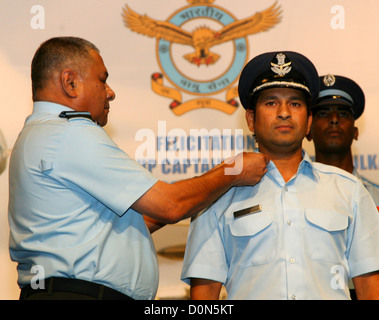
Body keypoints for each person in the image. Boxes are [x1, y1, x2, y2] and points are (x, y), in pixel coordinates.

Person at [8, 37, 269, 300]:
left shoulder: (40, 134)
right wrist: (232, 171)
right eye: (102, 80)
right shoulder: (68, 133)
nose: (110, 92)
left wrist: (205, 194)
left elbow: (121, 225)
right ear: (70, 82)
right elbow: (170, 205)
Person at [181, 51, 379, 300]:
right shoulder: (218, 195)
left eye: (295, 103)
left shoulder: (349, 190)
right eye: (271, 102)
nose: (284, 113)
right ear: (251, 119)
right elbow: (205, 292)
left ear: (308, 121)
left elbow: (369, 286)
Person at [308, 74, 379, 210]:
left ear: (355, 132)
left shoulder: (376, 197)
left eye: (343, 114)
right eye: (323, 114)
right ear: (308, 132)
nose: (334, 119)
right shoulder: (296, 196)